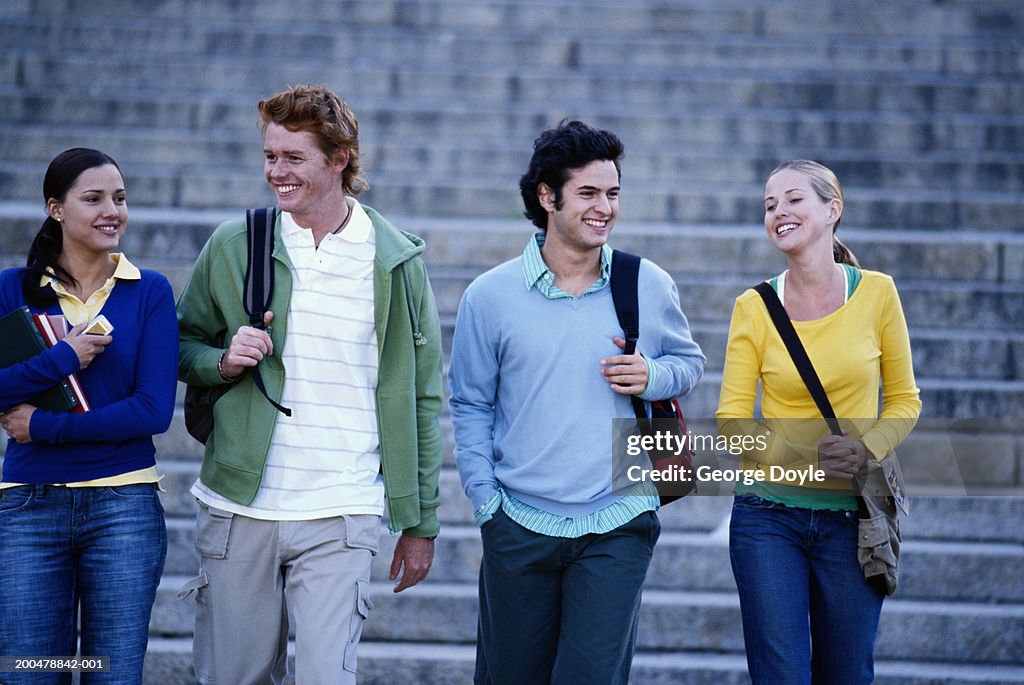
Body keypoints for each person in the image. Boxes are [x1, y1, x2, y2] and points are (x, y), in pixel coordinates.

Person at [176, 84, 444, 684]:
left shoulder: (395, 261)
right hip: (239, 506)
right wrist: (222, 360)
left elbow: (423, 397)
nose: (276, 172)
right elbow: (182, 345)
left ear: (339, 158)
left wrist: (420, 522)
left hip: (342, 509)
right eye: (271, 156)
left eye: (293, 158)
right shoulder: (235, 243)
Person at [448, 119, 706, 684]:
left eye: (612, 193)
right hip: (518, 520)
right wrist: (485, 499)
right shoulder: (489, 297)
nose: (604, 208)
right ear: (548, 196)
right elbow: (469, 404)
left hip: (618, 517)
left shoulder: (646, 283)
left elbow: (689, 365)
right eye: (588, 193)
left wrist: (651, 374)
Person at [717, 160, 922, 684]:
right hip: (768, 516)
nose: (778, 212)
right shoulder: (754, 306)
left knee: (847, 674)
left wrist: (867, 448)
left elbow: (904, 401)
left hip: (853, 520)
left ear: (833, 210)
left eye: (792, 200)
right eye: (769, 205)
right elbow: (732, 422)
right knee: (780, 675)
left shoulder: (878, 293)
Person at [0, 148, 177, 684]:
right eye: (94, 198)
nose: (112, 211)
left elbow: (152, 409)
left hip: (123, 506)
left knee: (111, 675)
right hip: (30, 507)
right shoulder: (14, 289)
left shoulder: (149, 292)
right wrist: (63, 358)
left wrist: (44, 426)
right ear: (55, 209)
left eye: (119, 199)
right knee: (32, 673)